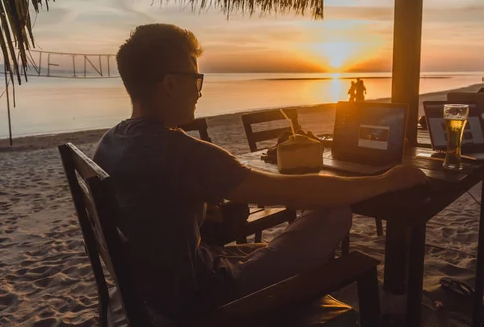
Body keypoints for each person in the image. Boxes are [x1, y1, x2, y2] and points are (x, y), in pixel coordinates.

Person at [93, 24, 427, 323]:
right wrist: (385, 181)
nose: (198, 92)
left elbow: (149, 207)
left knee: (276, 244)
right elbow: (292, 193)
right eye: (196, 80)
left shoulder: (110, 143)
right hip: (206, 299)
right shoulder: (180, 152)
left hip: (155, 290)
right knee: (335, 213)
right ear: (169, 84)